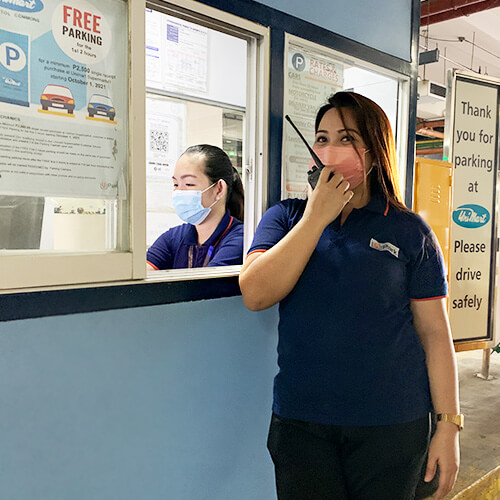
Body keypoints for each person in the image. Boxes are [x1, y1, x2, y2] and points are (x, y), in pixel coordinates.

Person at [239, 92, 461, 500]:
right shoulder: (284, 217)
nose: (330, 149)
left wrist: (448, 424)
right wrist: (316, 216)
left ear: (374, 151)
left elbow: (434, 333)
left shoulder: (410, 231)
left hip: (392, 424)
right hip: (302, 423)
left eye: (346, 138)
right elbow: (255, 293)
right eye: (321, 139)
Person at [147, 144, 244, 269]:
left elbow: (205, 286)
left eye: (189, 184)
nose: (179, 192)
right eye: (176, 184)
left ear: (219, 189)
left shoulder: (239, 239)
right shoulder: (173, 237)